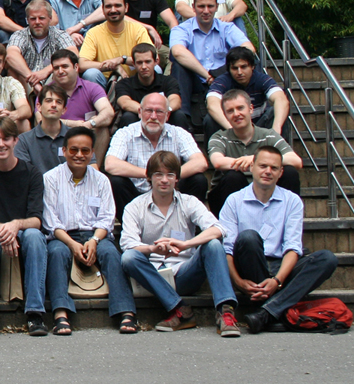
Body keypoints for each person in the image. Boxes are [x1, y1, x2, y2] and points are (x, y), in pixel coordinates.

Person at [119, 151, 241, 337]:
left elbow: (218, 229)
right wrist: (152, 248)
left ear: (177, 178)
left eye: (170, 174)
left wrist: (186, 244)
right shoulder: (135, 206)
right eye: (158, 174)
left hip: (184, 273)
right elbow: (127, 243)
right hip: (152, 276)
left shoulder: (189, 202)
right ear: (149, 177)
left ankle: (225, 312)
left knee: (214, 244)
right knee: (129, 257)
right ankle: (179, 309)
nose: (164, 180)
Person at [221, 146, 337, 334]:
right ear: (252, 167)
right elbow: (227, 249)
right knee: (248, 237)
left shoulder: (292, 201)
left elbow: (293, 247)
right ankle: (278, 309)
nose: (268, 171)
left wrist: (277, 280)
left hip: (280, 269)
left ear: (281, 172)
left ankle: (266, 312)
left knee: (327, 259)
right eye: (263, 166)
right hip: (250, 266)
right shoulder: (234, 201)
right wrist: (238, 282)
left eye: (274, 168)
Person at [43, 127, 137, 335]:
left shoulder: (102, 180)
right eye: (74, 150)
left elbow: (107, 218)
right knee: (57, 253)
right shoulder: (50, 179)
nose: (79, 155)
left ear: (92, 152)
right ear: (65, 150)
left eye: (85, 151)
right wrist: (72, 243)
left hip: (95, 234)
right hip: (63, 236)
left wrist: (94, 240)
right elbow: (51, 221)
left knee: (111, 253)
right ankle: (60, 313)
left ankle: (126, 311)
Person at [0, 116, 48, 338]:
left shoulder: (32, 174)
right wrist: (6, 229)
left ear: (15, 140)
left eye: (6, 139)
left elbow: (36, 219)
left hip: (23, 232)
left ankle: (35, 313)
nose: (1, 144)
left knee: (34, 236)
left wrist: (16, 226)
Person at [105, 93, 208, 214]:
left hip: (171, 194)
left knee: (199, 180)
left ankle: (185, 223)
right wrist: (150, 174)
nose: (153, 116)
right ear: (140, 112)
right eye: (149, 110)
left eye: (159, 111)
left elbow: (201, 162)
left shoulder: (179, 133)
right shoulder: (125, 133)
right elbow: (110, 164)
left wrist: (168, 176)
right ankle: (131, 227)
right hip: (137, 196)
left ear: (167, 115)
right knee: (116, 182)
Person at [208, 90, 302, 213]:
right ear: (225, 115)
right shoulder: (219, 137)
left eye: (240, 108)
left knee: (289, 172)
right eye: (230, 111)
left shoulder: (268, 136)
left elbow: (296, 161)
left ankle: (285, 218)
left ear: (251, 109)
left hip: (266, 194)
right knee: (232, 177)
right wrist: (254, 163)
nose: (236, 114)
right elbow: (218, 162)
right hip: (228, 199)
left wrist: (255, 159)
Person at [169, 0, 255, 123]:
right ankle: (183, 118)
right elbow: (178, 52)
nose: (206, 11)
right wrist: (207, 76)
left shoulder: (227, 27)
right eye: (201, 6)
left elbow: (249, 49)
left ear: (216, 7)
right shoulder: (181, 29)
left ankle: (254, 110)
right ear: (193, 7)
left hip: (224, 78)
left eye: (210, 6)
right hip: (195, 79)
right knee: (178, 66)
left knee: (247, 63)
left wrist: (221, 73)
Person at [205, 46, 288, 140]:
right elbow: (212, 104)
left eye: (243, 67)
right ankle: (214, 153)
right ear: (229, 69)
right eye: (235, 68)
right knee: (210, 119)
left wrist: (276, 129)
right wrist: (232, 130)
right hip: (230, 127)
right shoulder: (221, 81)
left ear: (252, 66)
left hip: (259, 126)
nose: (239, 72)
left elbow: (281, 99)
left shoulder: (262, 79)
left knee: (276, 111)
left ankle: (280, 151)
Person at [78, 0, 153, 88]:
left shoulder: (138, 29)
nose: (113, 10)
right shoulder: (93, 33)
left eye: (118, 5)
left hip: (135, 79)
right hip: (104, 81)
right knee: (90, 73)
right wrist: (113, 66)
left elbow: (152, 58)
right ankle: (99, 102)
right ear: (103, 9)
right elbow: (82, 64)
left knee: (155, 69)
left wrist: (122, 60)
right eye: (108, 6)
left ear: (126, 8)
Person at [48, 50, 113, 160]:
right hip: (57, 136)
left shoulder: (92, 88)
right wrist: (73, 124)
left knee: (102, 129)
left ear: (76, 67)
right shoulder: (47, 92)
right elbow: (40, 120)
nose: (60, 71)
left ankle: (93, 169)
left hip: (86, 136)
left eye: (64, 66)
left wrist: (90, 124)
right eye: (56, 68)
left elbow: (108, 113)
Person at [4, 0, 76, 94]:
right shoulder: (20, 35)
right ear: (27, 20)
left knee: (62, 70)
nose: (37, 22)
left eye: (41, 18)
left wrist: (46, 71)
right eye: (33, 19)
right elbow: (11, 55)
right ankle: (24, 106)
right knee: (12, 70)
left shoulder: (60, 34)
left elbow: (73, 53)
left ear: (50, 19)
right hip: (26, 85)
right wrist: (33, 80)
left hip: (53, 84)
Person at [114, 43, 190, 130]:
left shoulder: (168, 81)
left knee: (178, 115)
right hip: (138, 121)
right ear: (133, 64)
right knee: (128, 116)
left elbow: (175, 100)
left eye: (148, 62)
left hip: (164, 122)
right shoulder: (124, 83)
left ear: (156, 62)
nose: (144, 66)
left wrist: (162, 112)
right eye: (139, 63)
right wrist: (149, 112)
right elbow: (124, 103)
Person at [116, 0, 178, 66]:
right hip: (126, 45)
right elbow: (118, 17)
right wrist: (149, 27)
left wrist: (176, 44)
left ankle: (167, 81)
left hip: (151, 45)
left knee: (175, 56)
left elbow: (172, 21)